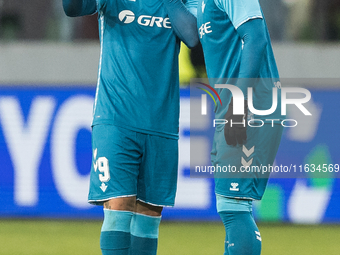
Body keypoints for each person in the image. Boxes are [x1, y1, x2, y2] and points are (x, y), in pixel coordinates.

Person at [62, 0, 198, 254]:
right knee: (118, 206)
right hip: (115, 118)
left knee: (149, 217)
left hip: (162, 123)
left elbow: (191, 35)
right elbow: (72, 8)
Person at [197, 0, 283, 254]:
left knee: (234, 205)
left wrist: (238, 104)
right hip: (239, 105)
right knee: (231, 203)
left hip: (251, 105)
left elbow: (255, 38)